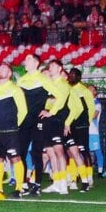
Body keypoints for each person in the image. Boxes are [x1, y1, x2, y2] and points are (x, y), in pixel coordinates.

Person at [0, 62, 27, 200]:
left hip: (11, 131)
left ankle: (19, 188)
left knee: (15, 158)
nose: (1, 70)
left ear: (10, 74)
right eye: (0, 68)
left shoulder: (16, 89)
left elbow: (23, 110)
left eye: (4, 68)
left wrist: (15, 126)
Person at [16, 54, 54, 194]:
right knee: (20, 153)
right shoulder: (21, 81)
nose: (25, 61)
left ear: (36, 63)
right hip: (24, 121)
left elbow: (61, 96)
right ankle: (23, 184)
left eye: (29, 59)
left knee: (37, 153)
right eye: (25, 59)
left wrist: (50, 111)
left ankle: (37, 184)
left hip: (39, 121)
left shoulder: (44, 79)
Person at [39, 60, 74, 195]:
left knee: (59, 152)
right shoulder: (48, 85)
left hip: (57, 120)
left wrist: (50, 112)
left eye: (53, 66)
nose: (51, 68)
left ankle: (64, 183)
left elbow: (60, 101)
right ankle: (56, 182)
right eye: (50, 66)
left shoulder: (63, 84)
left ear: (60, 68)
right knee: (50, 153)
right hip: (47, 121)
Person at [65, 67, 95, 192]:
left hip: (81, 125)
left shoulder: (84, 91)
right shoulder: (66, 88)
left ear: (78, 77)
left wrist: (86, 122)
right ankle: (73, 178)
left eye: (73, 75)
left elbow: (91, 108)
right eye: (69, 75)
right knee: (71, 151)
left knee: (84, 151)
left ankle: (89, 177)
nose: (70, 77)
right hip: (70, 124)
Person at [88, 84, 104, 176]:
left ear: (95, 92)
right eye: (88, 89)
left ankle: (100, 171)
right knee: (83, 151)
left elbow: (94, 115)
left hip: (93, 131)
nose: (89, 90)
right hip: (83, 130)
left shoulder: (97, 103)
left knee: (97, 150)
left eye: (91, 89)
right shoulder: (83, 102)